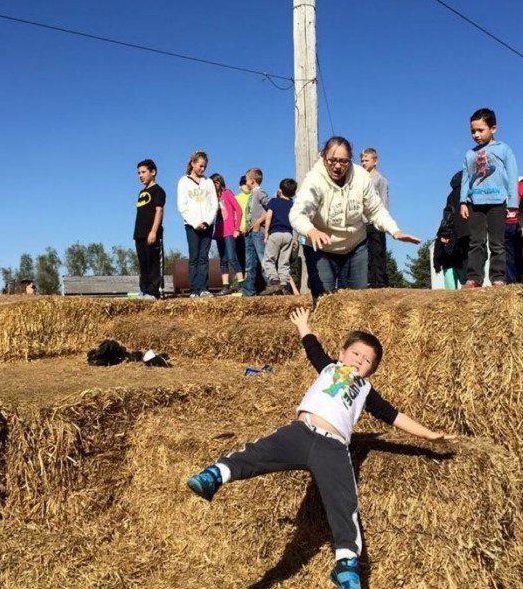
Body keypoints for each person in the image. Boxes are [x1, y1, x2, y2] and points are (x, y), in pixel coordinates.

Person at [187, 306, 454, 589]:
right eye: (355, 354)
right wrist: (304, 325)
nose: (359, 362)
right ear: (341, 354)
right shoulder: (329, 367)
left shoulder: (365, 390)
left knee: (344, 502)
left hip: (334, 447)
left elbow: (394, 416)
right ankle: (215, 475)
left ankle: (347, 565)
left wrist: (428, 436)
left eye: (366, 362)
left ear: (371, 372)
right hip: (300, 432)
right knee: (256, 453)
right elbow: (312, 348)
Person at [289, 136, 420, 299]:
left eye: (343, 161)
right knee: (324, 302)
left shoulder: (361, 177)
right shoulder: (314, 180)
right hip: (322, 249)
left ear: (350, 160)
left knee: (356, 303)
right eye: (332, 160)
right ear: (323, 157)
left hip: (356, 247)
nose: (337, 166)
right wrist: (311, 230)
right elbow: (297, 213)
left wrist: (394, 230)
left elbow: (376, 210)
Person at [459, 108, 518, 288]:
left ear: (493, 129)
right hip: (475, 203)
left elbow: (512, 174)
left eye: (480, 130)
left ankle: (498, 277)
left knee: (497, 243)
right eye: (472, 131)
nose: (476, 134)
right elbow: (466, 179)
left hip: (497, 202)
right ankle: (474, 278)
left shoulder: (503, 149)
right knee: (476, 242)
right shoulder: (470, 154)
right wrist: (463, 201)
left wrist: (513, 203)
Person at [177, 150, 218, 298]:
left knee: (203, 257)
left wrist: (207, 221)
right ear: (193, 164)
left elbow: (214, 204)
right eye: (200, 166)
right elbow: (182, 206)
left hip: (207, 225)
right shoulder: (184, 181)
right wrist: (195, 223)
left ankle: (203, 288)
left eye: (204, 167)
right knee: (194, 256)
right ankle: (194, 289)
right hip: (191, 225)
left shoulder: (208, 183)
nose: (202, 169)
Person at [133, 159, 166, 300]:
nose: (140, 175)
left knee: (153, 263)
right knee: (143, 263)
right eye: (138, 173)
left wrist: (153, 231)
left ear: (153, 172)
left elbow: (159, 211)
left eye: (143, 172)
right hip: (139, 234)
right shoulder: (141, 192)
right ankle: (144, 290)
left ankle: (153, 291)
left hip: (151, 233)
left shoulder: (158, 190)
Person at [260, 178, 298, 295]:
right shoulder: (293, 205)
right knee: (284, 262)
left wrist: (266, 232)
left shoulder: (274, 201)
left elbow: (269, 216)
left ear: (280, 190)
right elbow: (296, 222)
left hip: (275, 233)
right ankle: (284, 284)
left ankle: (274, 281)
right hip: (288, 235)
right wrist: (295, 239)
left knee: (268, 260)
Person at [433, 171, 470, 289]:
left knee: (450, 286)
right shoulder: (470, 192)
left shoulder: (451, 195)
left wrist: (437, 264)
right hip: (468, 233)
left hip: (455, 234)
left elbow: (448, 213)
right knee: (466, 269)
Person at [210, 173, 244, 295]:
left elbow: (239, 210)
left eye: (216, 182)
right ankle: (226, 286)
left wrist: (237, 228)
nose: (214, 185)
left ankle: (241, 284)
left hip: (229, 231)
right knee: (223, 260)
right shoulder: (213, 198)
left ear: (220, 182)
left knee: (232, 258)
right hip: (219, 232)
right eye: (212, 183)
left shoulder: (227, 193)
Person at [360, 148, 389, 288]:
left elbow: (384, 200)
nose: (363, 163)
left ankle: (380, 281)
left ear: (375, 161)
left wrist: (383, 219)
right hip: (362, 222)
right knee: (366, 253)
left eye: (366, 160)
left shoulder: (380, 179)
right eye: (362, 160)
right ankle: (369, 281)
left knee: (378, 251)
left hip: (376, 220)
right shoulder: (360, 180)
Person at [240, 168, 270, 297]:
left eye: (246, 179)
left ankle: (272, 284)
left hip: (258, 232)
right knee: (250, 262)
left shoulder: (259, 193)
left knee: (263, 258)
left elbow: (270, 208)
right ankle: (248, 289)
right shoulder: (252, 194)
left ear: (252, 181)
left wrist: (259, 221)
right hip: (249, 233)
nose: (245, 182)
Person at [504, 176, 523, 284]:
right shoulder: (518, 186)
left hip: (509, 222)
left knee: (509, 256)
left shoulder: (506, 188)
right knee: (516, 254)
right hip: (514, 223)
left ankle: (512, 281)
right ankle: (516, 281)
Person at [234, 175, 250, 274]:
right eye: (243, 183)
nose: (245, 185)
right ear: (240, 186)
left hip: (251, 231)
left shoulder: (254, 195)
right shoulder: (236, 198)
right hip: (239, 232)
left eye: (246, 182)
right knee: (240, 257)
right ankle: (242, 281)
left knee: (252, 259)